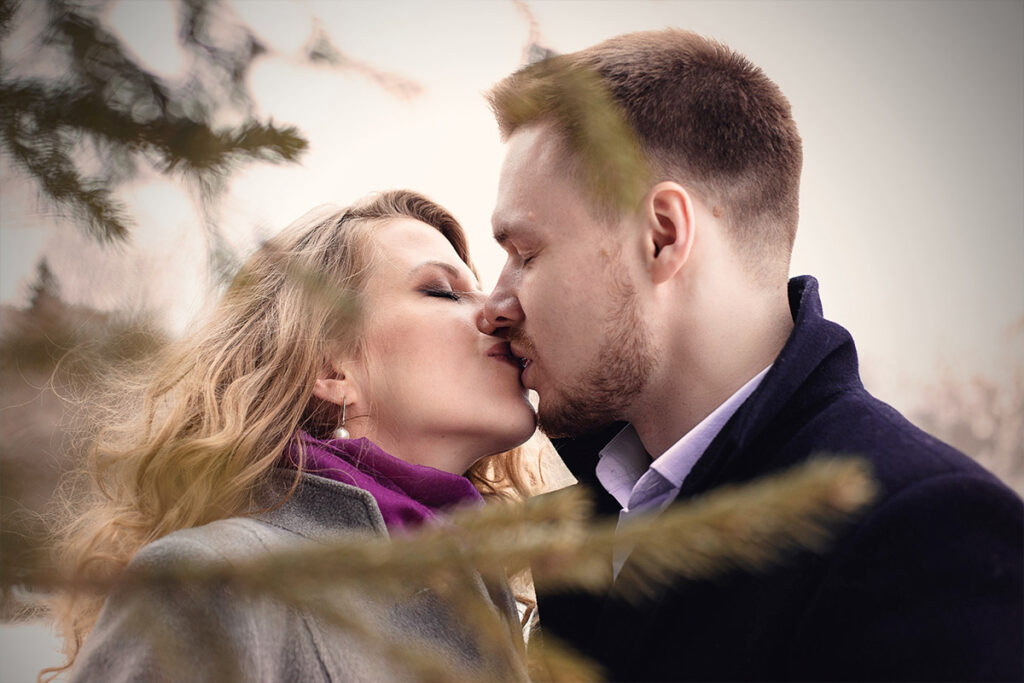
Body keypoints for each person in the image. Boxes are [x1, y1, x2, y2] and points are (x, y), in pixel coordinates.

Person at [478, 29, 1024, 682]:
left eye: (526, 253)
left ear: (662, 235)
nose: (494, 304)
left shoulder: (927, 533)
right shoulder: (588, 521)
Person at [45, 190, 537, 682]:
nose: (496, 311)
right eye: (441, 290)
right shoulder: (215, 582)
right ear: (331, 367)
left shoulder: (489, 595)